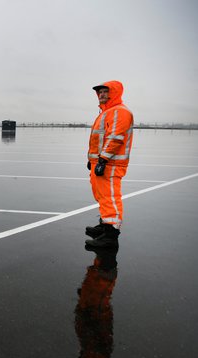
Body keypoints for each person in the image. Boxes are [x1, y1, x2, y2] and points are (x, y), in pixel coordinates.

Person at [85, 81, 134, 248]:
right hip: (101, 162)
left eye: (106, 92)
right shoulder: (107, 112)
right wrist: (92, 160)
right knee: (102, 196)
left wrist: (103, 160)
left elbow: (115, 138)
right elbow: (100, 139)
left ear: (115, 93)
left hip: (111, 164)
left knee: (110, 197)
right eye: (100, 92)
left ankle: (111, 236)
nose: (102, 95)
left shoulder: (120, 112)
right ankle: (104, 227)